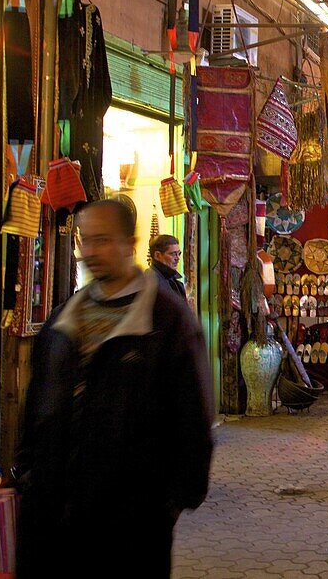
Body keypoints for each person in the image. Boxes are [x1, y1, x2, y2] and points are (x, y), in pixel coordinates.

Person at [14, 199, 214, 577]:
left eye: (102, 240)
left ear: (131, 242)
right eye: (85, 241)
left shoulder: (167, 323)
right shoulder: (63, 320)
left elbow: (193, 417)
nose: (90, 252)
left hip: (130, 526)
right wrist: (27, 472)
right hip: (52, 518)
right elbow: (37, 403)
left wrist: (169, 503)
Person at [149, 234, 186, 299]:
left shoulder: (174, 281)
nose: (177, 258)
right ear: (157, 255)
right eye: (173, 254)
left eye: (178, 253)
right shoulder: (151, 282)